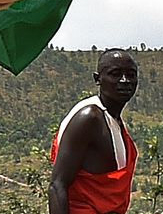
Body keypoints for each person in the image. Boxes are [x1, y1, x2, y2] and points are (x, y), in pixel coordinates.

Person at [50, 51, 138, 214]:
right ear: (98, 79)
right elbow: (57, 185)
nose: (125, 81)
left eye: (131, 75)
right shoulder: (89, 118)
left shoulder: (115, 121)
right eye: (115, 74)